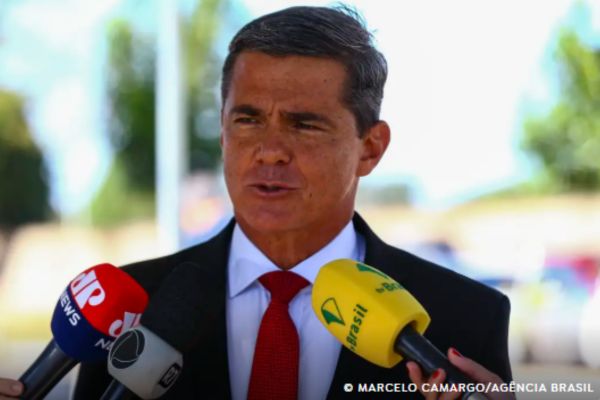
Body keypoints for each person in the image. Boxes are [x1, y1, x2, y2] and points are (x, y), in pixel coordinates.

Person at [0, 5, 513, 400]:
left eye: (304, 124)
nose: (269, 151)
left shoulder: (462, 319)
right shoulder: (130, 309)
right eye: (247, 120)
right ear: (224, 132)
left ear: (371, 148)